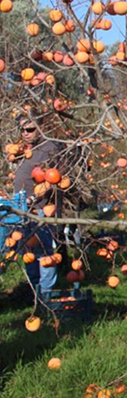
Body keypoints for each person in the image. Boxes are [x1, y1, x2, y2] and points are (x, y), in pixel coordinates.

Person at [12, 112, 61, 301]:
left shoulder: (48, 148)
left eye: (30, 129)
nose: (25, 133)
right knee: (28, 251)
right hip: (24, 209)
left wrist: (34, 198)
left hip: (40, 209)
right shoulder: (27, 149)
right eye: (22, 130)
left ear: (40, 126)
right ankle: (35, 291)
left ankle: (46, 294)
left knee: (44, 253)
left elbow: (53, 178)